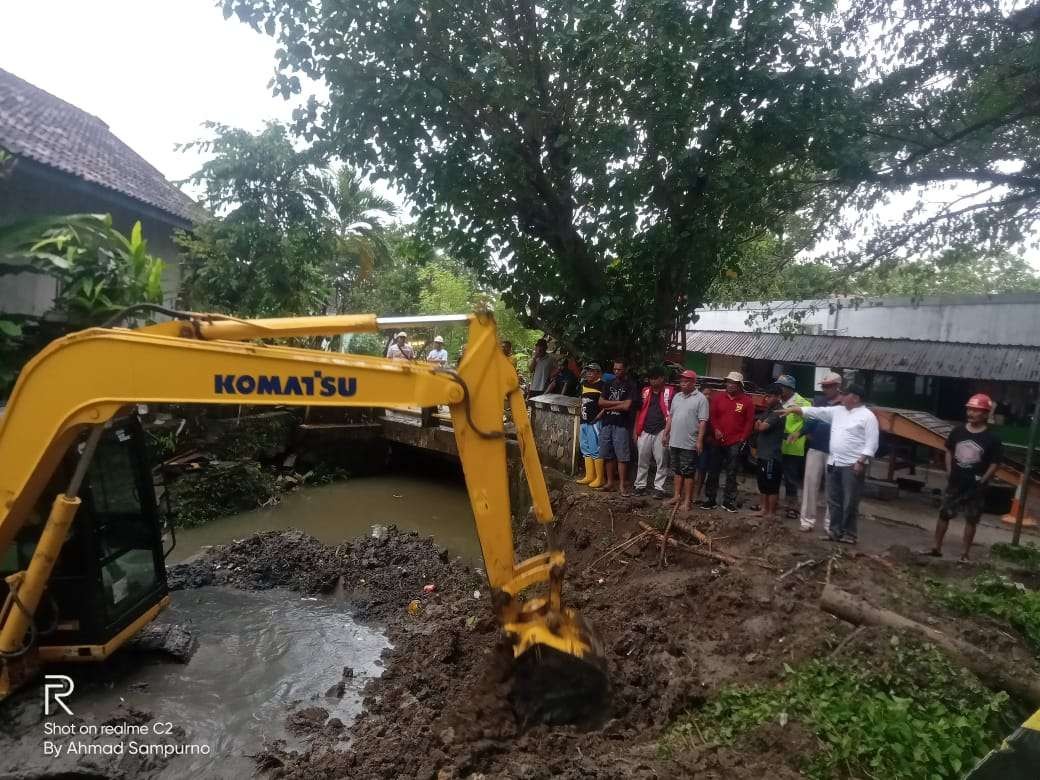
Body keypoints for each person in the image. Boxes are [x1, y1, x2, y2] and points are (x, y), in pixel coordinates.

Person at [782, 383, 879, 545]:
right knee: (833, 499)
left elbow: (872, 443)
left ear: (855, 398)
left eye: (845, 394)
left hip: (852, 464)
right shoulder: (839, 411)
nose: (841, 397)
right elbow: (818, 412)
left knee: (850, 501)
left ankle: (849, 534)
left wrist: (861, 461)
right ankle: (834, 531)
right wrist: (795, 409)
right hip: (834, 462)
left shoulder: (867, 416)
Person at [928, 394, 1002, 562]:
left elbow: (995, 462)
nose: (971, 413)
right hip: (955, 481)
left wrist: (983, 480)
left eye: (976, 410)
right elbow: (949, 450)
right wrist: (949, 470)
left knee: (971, 519)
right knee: (944, 514)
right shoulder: (958, 431)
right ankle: (936, 548)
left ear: (985, 414)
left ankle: (965, 554)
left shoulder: (992, 438)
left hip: (975, 486)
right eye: (969, 409)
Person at [700, 371, 756, 512]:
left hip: (735, 442)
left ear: (739, 385)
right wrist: (716, 429)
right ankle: (710, 499)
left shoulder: (747, 401)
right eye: (728, 382)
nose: (730, 385)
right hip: (717, 441)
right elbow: (712, 416)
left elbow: (749, 422)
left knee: (731, 472)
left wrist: (742, 438)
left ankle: (728, 501)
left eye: (734, 383)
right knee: (713, 470)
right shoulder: (718, 398)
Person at [800, 372, 843, 532]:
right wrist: (799, 433)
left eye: (827, 386)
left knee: (832, 488)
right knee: (810, 484)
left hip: (835, 451)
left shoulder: (845, 404)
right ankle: (806, 521)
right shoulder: (819, 401)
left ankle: (830, 525)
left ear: (837, 386)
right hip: (816, 447)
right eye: (823, 386)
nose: (825, 389)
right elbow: (811, 420)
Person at [666, 370, 709, 511]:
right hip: (675, 440)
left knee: (689, 472)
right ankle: (677, 496)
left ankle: (687, 501)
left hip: (689, 442)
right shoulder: (677, 396)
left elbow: (703, 421)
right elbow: (671, 417)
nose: (682, 384)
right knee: (677, 470)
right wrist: (666, 433)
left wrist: (699, 441)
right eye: (682, 381)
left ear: (693, 382)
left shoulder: (701, 398)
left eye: (686, 381)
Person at [597, 359, 639, 496]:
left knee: (622, 456)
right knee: (607, 454)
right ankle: (610, 482)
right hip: (607, 422)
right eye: (615, 369)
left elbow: (627, 406)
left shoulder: (630, 385)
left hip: (622, 424)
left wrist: (610, 405)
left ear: (625, 369)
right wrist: (618, 403)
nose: (616, 372)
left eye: (619, 369)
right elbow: (600, 402)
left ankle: (621, 485)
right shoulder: (608, 384)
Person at [633, 366, 674, 498]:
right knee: (642, 459)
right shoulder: (645, 391)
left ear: (662, 378)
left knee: (661, 460)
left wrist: (668, 433)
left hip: (662, 429)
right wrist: (635, 430)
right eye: (651, 378)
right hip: (645, 429)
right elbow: (638, 411)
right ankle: (640, 485)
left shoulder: (670, 392)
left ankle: (659, 488)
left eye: (655, 378)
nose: (653, 381)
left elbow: (672, 413)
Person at [774, 374, 810, 520]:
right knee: (773, 476)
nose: (778, 389)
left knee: (791, 479)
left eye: (781, 387)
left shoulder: (803, 403)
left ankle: (792, 507)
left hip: (793, 447)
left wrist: (800, 434)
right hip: (776, 445)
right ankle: (772, 504)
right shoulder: (777, 401)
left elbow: (810, 424)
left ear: (789, 389)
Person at [752, 385, 785, 520]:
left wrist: (760, 424)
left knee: (772, 485)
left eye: (771, 396)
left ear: (778, 397)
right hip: (763, 453)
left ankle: (771, 512)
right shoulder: (769, 410)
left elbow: (762, 427)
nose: (767, 398)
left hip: (772, 455)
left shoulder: (779, 412)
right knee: (762, 483)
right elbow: (757, 425)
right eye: (767, 396)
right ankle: (763, 509)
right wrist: (760, 424)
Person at [575, 363, 606, 488]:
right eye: (587, 371)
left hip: (594, 422)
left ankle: (600, 478)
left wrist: (599, 416)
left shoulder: (602, 385)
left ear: (598, 373)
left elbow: (606, 404)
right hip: (584, 420)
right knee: (585, 447)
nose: (588, 373)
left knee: (595, 448)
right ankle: (590, 475)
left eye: (592, 371)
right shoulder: (584, 384)